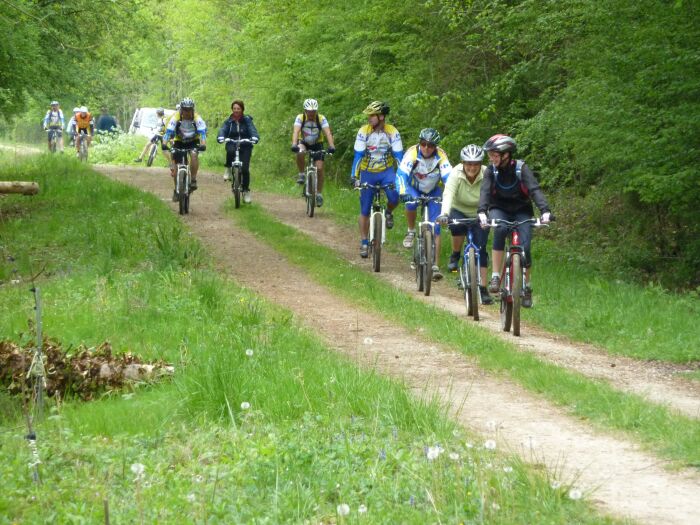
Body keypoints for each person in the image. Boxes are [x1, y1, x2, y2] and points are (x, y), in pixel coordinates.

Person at [477, 134, 551, 308]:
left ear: (506, 154)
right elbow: (485, 192)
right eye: (490, 155)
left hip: (521, 210)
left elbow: (534, 189)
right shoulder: (490, 170)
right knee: (500, 229)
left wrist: (545, 210)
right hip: (499, 209)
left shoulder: (521, 168)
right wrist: (482, 211)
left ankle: (527, 287)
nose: (491, 158)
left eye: (495, 155)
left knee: (525, 247)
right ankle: (495, 276)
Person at [437, 144, 493, 304]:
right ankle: (455, 254)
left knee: (481, 249)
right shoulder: (455, 173)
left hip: (480, 213)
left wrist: (492, 213)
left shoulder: (487, 173)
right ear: (463, 163)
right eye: (468, 163)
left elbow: (492, 194)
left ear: (480, 164)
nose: (472, 167)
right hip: (458, 209)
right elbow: (448, 194)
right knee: (456, 226)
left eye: (476, 164)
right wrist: (444, 213)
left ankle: (483, 288)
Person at [397, 128, 452, 280]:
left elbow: (449, 178)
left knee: (437, 226)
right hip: (413, 188)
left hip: (433, 190)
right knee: (411, 203)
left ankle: (434, 265)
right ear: (419, 143)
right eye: (423, 144)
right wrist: (403, 193)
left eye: (431, 145)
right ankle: (411, 230)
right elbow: (401, 175)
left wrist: (450, 196)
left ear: (436, 146)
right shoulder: (412, 154)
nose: (426, 148)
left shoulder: (441, 156)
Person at [351, 101, 403, 258]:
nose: (369, 118)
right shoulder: (363, 131)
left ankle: (388, 212)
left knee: (395, 196)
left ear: (381, 116)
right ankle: (364, 242)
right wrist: (354, 176)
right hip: (368, 172)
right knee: (365, 209)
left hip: (387, 171)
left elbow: (399, 157)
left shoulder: (392, 132)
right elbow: (358, 156)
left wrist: (402, 178)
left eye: (372, 115)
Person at [290, 98, 336, 207]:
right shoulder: (300, 118)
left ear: (316, 111)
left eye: (313, 111)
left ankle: (319, 194)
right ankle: (301, 174)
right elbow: (296, 131)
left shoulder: (321, 118)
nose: (311, 113)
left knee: (319, 169)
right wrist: (294, 144)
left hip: (317, 144)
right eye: (309, 111)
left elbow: (328, 133)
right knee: (300, 152)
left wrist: (331, 146)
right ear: (305, 110)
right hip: (304, 142)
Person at [163, 97, 207, 200]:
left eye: (189, 109)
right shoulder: (176, 117)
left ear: (192, 110)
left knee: (194, 155)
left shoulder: (197, 118)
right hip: (179, 141)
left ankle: (193, 179)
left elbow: (202, 134)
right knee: (175, 165)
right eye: (185, 109)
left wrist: (203, 144)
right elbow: (168, 132)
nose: (187, 112)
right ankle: (176, 189)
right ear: (181, 109)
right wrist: (164, 143)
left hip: (193, 141)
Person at [217, 99, 259, 203]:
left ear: (242, 109)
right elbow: (223, 129)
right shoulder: (229, 121)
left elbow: (252, 129)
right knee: (230, 151)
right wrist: (221, 137)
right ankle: (228, 168)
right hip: (232, 143)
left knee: (245, 169)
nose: (236, 110)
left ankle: (245, 190)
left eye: (238, 109)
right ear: (232, 109)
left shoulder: (247, 120)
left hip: (245, 145)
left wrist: (254, 137)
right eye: (234, 108)